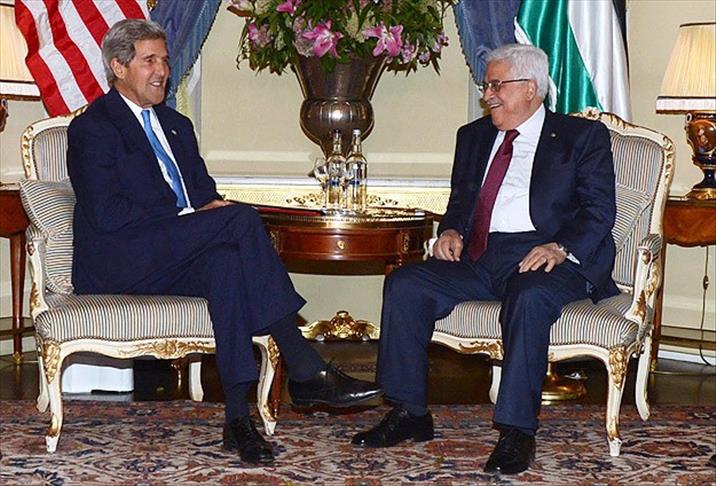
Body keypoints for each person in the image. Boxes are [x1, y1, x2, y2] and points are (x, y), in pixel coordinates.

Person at [66, 19, 382, 465]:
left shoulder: (176, 125)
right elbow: (107, 214)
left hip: (173, 256)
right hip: (120, 260)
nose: (162, 71)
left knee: (227, 264)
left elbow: (204, 195)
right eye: (149, 61)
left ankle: (238, 419)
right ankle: (304, 363)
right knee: (239, 220)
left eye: (165, 61)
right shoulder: (94, 127)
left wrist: (204, 214)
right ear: (118, 67)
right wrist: (191, 217)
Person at [352, 44, 618, 475]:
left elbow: (599, 210)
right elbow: (460, 203)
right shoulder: (473, 136)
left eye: (496, 85)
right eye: (486, 85)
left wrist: (559, 247)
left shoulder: (580, 137)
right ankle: (409, 412)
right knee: (405, 284)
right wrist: (450, 231)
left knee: (529, 297)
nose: (487, 94)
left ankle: (517, 432)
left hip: (547, 255)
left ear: (530, 88)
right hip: (479, 255)